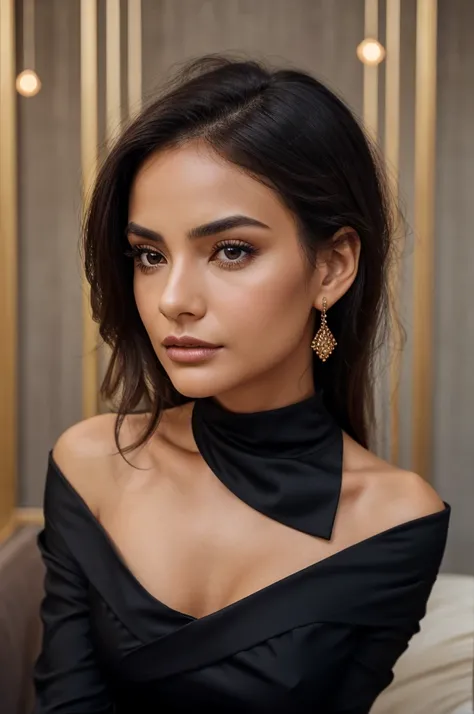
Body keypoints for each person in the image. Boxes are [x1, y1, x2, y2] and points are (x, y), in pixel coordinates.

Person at [33, 56, 450, 713]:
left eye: (231, 251)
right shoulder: (93, 466)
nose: (173, 299)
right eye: (150, 255)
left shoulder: (396, 522)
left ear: (332, 267)